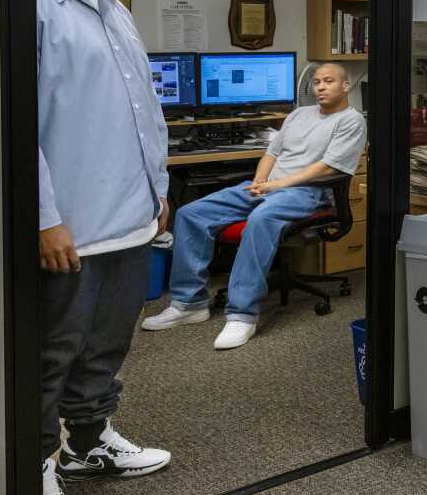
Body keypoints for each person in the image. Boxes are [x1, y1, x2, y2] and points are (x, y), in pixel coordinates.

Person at [36, 0, 172, 495]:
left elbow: (143, 108)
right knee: (53, 350)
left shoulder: (112, 6)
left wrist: (158, 192)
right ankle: (31, 465)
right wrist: (43, 219)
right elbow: (16, 128)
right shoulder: (34, 4)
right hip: (72, 223)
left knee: (108, 342)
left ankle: (87, 442)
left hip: (130, 216)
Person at [142, 63, 367, 349]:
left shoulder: (351, 121)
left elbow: (325, 168)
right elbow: (271, 153)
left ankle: (242, 314)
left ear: (345, 86)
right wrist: (260, 181)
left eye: (329, 81)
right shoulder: (298, 114)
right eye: (317, 82)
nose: (320, 87)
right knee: (191, 213)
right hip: (269, 187)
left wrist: (275, 186)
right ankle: (189, 303)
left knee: (261, 218)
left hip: (308, 193)